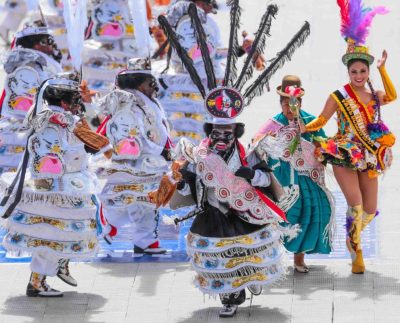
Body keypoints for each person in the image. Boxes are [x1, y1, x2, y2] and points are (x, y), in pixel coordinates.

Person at [301, 1, 397, 274]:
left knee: (370, 210)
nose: (358, 75)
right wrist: (303, 126)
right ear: (348, 72)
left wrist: (382, 69)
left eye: (362, 71)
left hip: (369, 156)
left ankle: (350, 236)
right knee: (355, 207)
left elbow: (392, 96)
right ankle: (357, 250)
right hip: (344, 153)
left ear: (367, 72)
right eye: (354, 71)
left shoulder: (375, 96)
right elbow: (321, 120)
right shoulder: (338, 96)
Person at [0, 75, 110, 297]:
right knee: (53, 236)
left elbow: (92, 144)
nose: (78, 103)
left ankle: (52, 270)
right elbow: (50, 163)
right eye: (74, 98)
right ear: (63, 101)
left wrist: (85, 147)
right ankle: (37, 283)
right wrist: (79, 157)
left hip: (66, 186)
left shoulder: (64, 119)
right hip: (55, 190)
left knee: (61, 234)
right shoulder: (51, 122)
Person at [251, 75, 334, 273]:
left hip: (307, 179)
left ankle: (299, 258)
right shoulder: (273, 124)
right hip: (281, 180)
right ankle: (272, 256)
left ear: (300, 103)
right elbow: (255, 143)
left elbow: (326, 147)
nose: (289, 108)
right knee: (280, 215)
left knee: (308, 212)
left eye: (293, 104)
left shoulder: (312, 122)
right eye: (285, 104)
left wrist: (316, 145)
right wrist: (268, 143)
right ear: (280, 103)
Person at [95, 57, 172, 254]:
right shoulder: (124, 102)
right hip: (126, 161)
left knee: (148, 202)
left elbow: (158, 130)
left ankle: (145, 241)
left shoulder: (148, 102)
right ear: (140, 82)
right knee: (117, 200)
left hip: (150, 161)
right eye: (149, 83)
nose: (152, 87)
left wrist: (164, 151)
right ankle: (108, 223)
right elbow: (110, 129)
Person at [0, 23, 63, 176]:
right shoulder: (31, 64)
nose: (51, 46)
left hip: (14, 125)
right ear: (37, 44)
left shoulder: (30, 62)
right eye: (47, 41)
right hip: (27, 126)